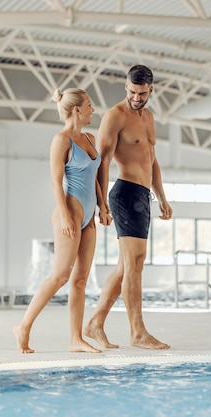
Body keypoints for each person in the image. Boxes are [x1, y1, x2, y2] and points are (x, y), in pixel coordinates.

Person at [13, 87, 110, 354]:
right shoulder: (61, 140)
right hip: (70, 210)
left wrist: (103, 207)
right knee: (59, 277)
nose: (93, 110)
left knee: (80, 280)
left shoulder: (89, 138)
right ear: (77, 109)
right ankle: (23, 327)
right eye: (89, 105)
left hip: (89, 214)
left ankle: (75, 339)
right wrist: (66, 215)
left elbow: (94, 178)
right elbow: (55, 181)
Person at [84, 64, 173, 350]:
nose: (137, 97)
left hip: (143, 196)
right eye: (133, 92)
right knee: (135, 264)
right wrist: (102, 204)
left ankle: (95, 322)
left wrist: (161, 196)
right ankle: (137, 333)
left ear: (151, 91)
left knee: (127, 266)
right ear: (126, 87)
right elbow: (103, 160)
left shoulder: (148, 118)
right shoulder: (114, 117)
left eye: (142, 93)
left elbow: (152, 159)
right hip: (124, 193)